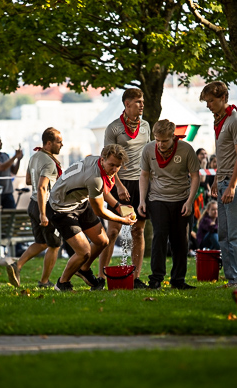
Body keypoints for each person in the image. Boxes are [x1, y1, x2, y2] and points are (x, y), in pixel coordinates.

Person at [46, 144, 137, 291]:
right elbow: (100, 211)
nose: (114, 170)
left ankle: (83, 269)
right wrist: (123, 220)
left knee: (102, 241)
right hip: (61, 209)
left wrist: (119, 207)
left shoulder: (97, 164)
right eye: (112, 165)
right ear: (102, 160)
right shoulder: (95, 177)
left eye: (118, 166)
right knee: (84, 252)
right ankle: (62, 283)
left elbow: (100, 191)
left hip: (79, 203)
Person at [98, 88, 151, 290]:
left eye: (142, 101)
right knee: (112, 232)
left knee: (138, 231)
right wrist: (118, 185)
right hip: (118, 183)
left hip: (141, 184)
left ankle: (135, 277)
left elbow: (147, 155)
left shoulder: (146, 126)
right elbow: (107, 160)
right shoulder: (113, 128)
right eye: (138, 101)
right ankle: (101, 277)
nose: (141, 105)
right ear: (127, 104)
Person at [138, 119, 200, 290]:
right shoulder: (149, 149)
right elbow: (144, 175)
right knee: (159, 237)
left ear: (173, 136)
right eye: (157, 140)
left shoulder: (186, 149)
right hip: (157, 199)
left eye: (164, 141)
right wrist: (142, 201)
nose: (160, 144)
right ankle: (156, 279)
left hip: (182, 200)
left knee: (180, 241)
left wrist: (189, 201)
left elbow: (195, 176)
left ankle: (178, 280)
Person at [6, 127, 63, 288]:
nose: (62, 145)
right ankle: (44, 282)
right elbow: (41, 188)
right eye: (59, 142)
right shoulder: (49, 162)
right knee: (54, 245)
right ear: (49, 143)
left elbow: (29, 181)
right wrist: (44, 214)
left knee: (42, 242)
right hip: (44, 206)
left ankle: (16, 265)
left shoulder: (34, 157)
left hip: (32, 204)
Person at [200, 81, 237, 288]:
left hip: (232, 184)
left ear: (223, 98)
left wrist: (232, 186)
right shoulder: (219, 120)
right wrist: (215, 179)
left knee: (233, 235)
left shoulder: (234, 119)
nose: (208, 105)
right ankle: (231, 278)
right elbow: (223, 155)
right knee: (223, 234)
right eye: (206, 102)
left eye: (211, 101)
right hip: (221, 181)